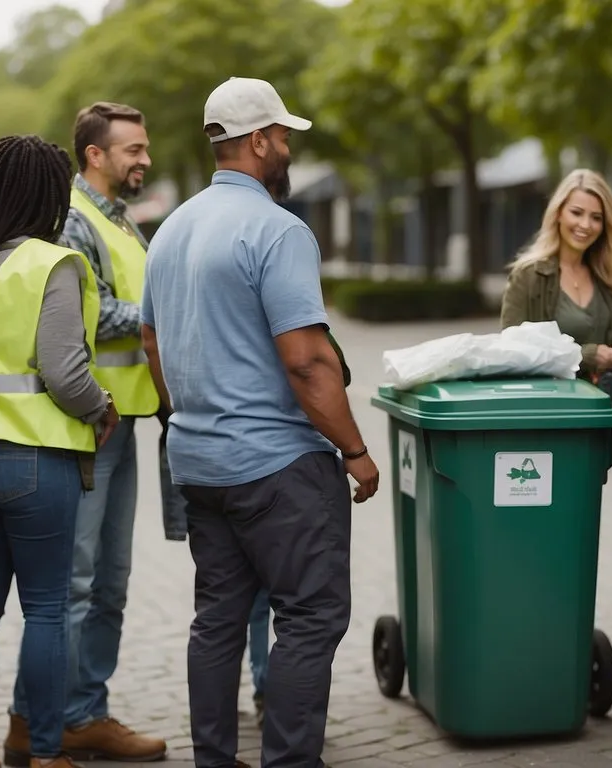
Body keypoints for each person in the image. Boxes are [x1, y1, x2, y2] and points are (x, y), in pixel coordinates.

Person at [140, 76, 380, 768]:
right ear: (257, 141)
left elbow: (153, 343)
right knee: (310, 619)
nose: (286, 151)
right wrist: (356, 452)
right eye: (282, 138)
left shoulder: (171, 230)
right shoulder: (278, 230)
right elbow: (306, 361)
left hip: (200, 463)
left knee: (216, 623)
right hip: (279, 469)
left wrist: (186, 413)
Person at [0, 134, 120, 768]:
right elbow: (64, 373)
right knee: (45, 609)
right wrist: (102, 408)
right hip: (34, 461)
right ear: (45, 194)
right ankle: (42, 754)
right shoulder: (49, 265)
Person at [3, 101, 167, 766]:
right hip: (88, 422)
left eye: (145, 146)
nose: (144, 158)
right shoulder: (73, 219)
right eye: (132, 148)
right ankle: (39, 720)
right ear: (95, 154)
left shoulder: (119, 219)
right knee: (73, 582)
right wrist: (168, 308)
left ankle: (82, 713)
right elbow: (90, 318)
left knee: (110, 582)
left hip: (123, 418)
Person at [500, 168, 612, 465]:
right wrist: (588, 356)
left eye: (596, 217)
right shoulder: (529, 276)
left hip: (597, 423)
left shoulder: (607, 277)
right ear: (558, 213)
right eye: (577, 212)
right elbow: (512, 352)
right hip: (548, 423)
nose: (585, 225)